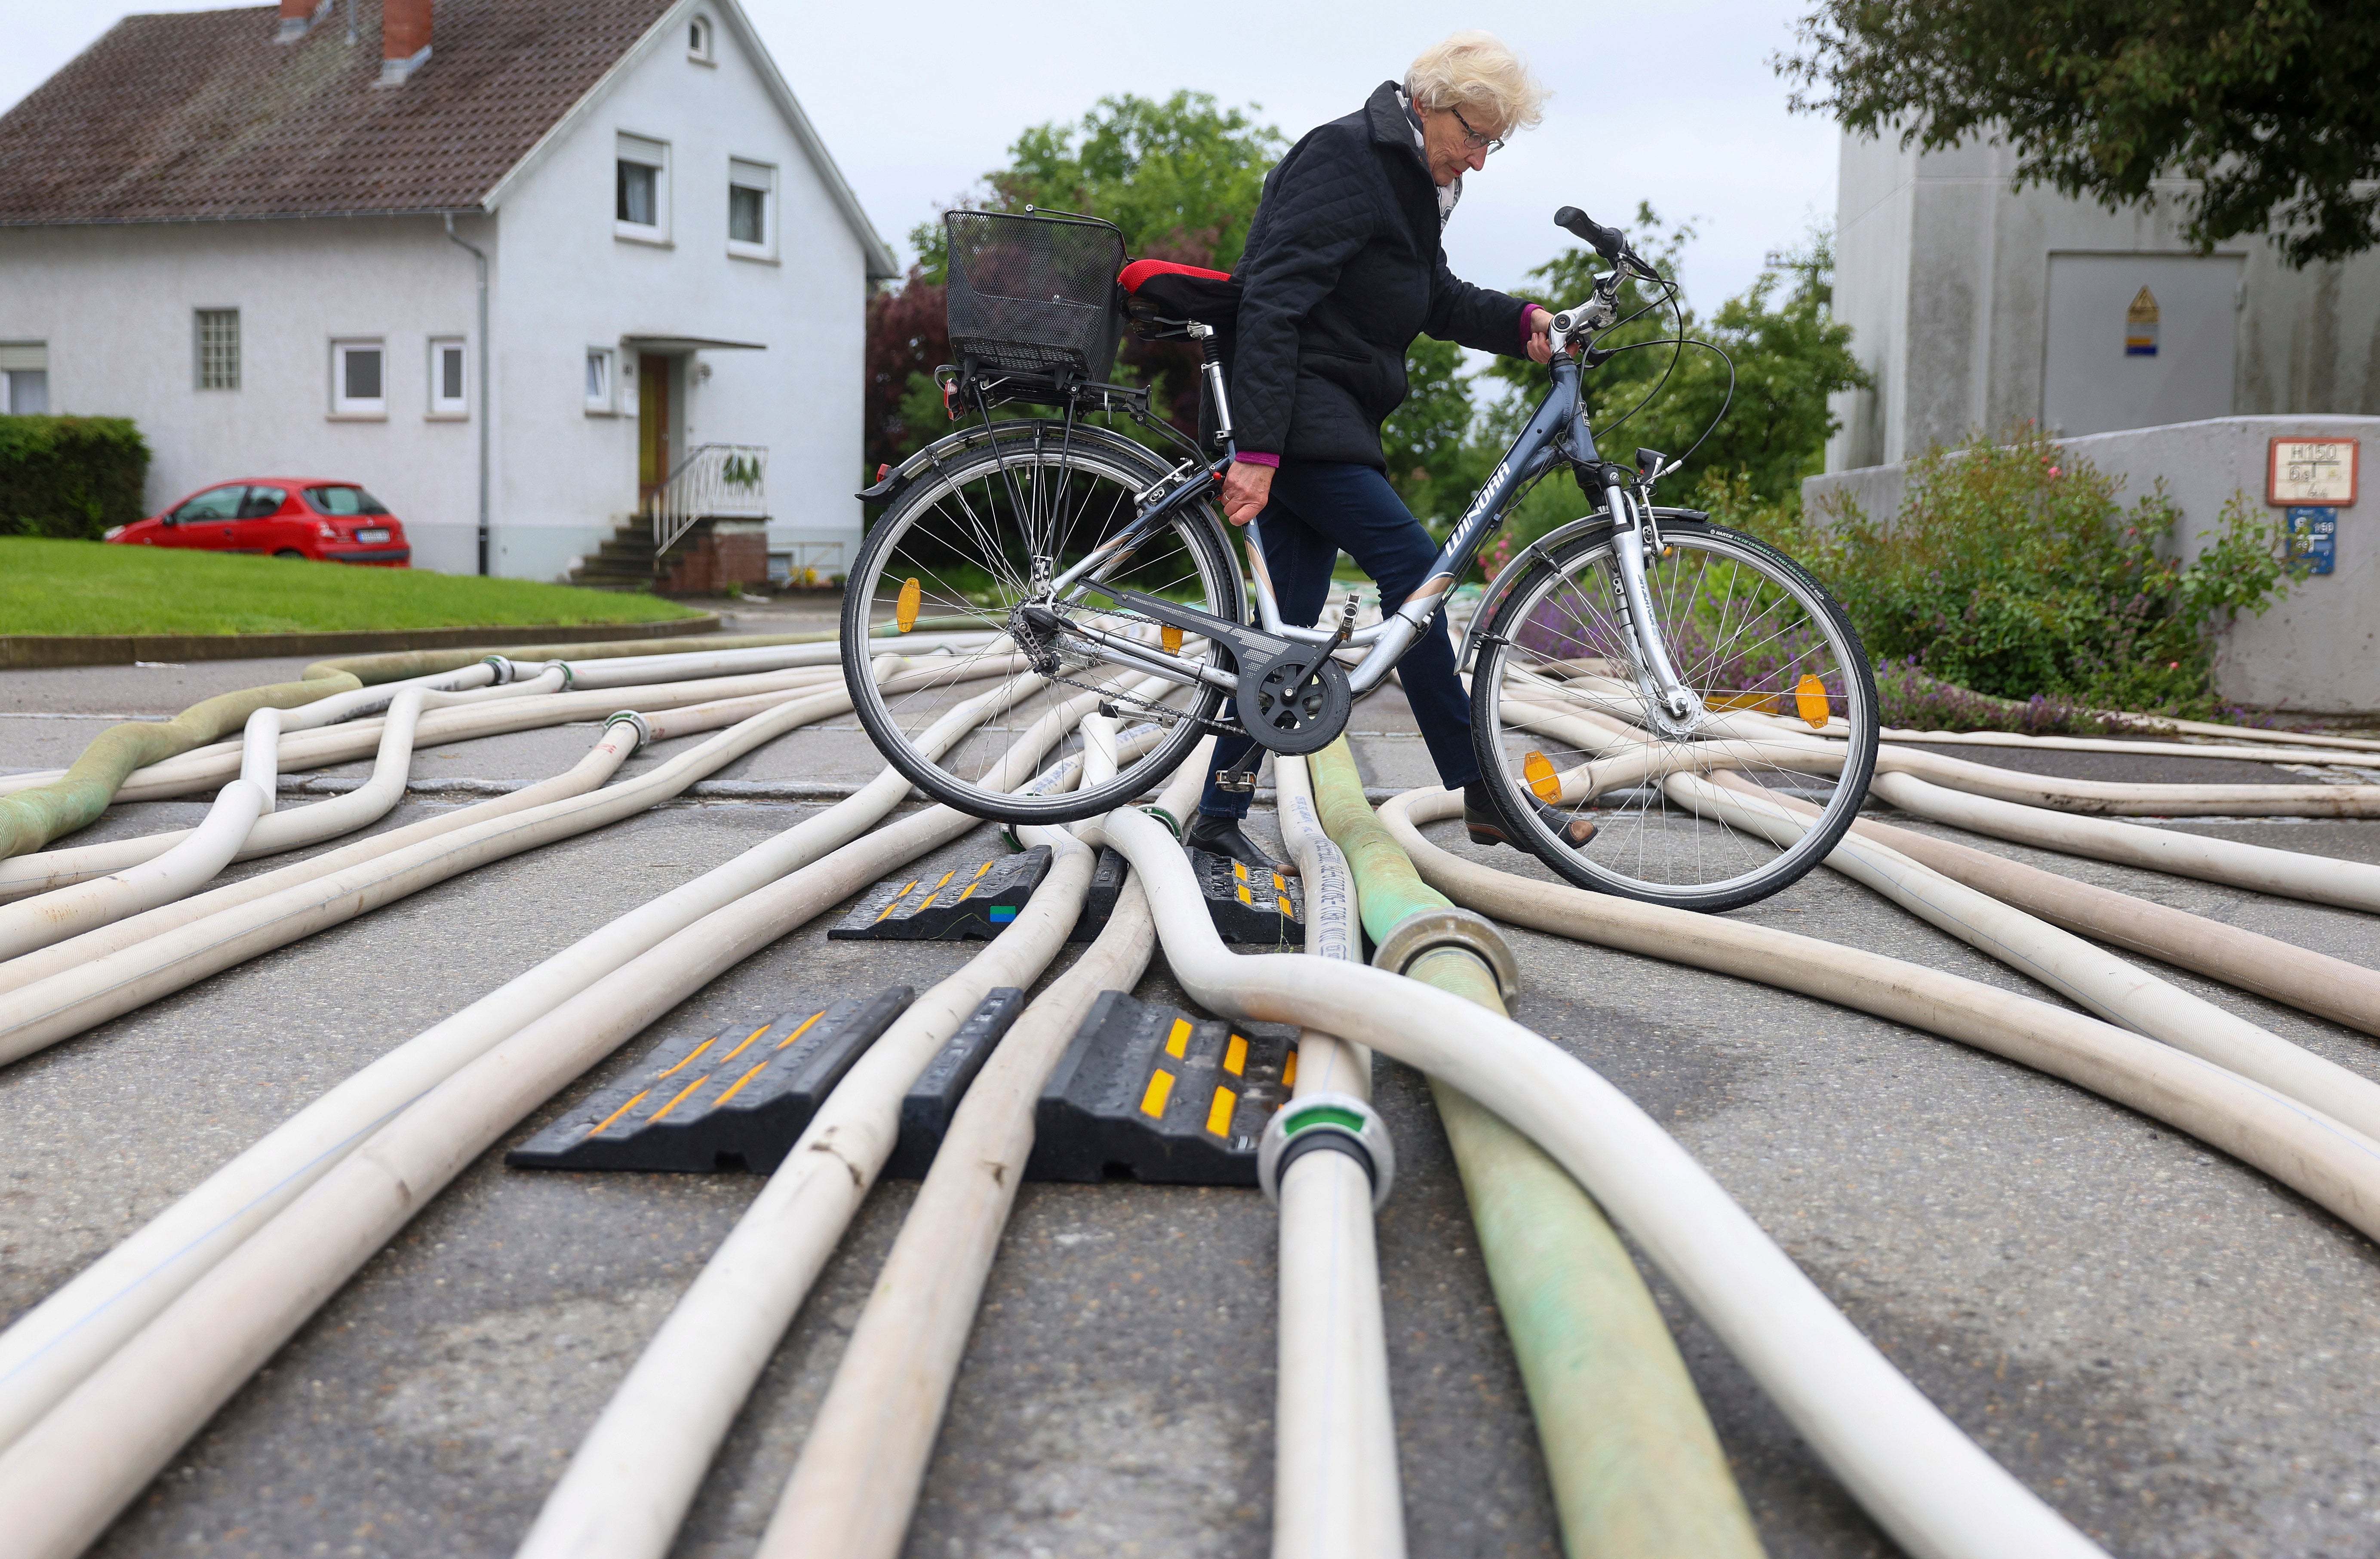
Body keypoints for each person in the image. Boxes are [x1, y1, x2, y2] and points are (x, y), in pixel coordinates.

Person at [1181, 31, 1594, 873]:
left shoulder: (1409, 179)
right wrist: (1257, 449)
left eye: (1493, 144)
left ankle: (1216, 816)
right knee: (1418, 569)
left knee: (1279, 637)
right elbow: (1270, 302)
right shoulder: (1346, 158)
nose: (1478, 160)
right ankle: (1485, 791)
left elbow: (1428, 295)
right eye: (1472, 136)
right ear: (1430, 103)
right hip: (1296, 419)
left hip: (1322, 422)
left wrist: (1524, 327)